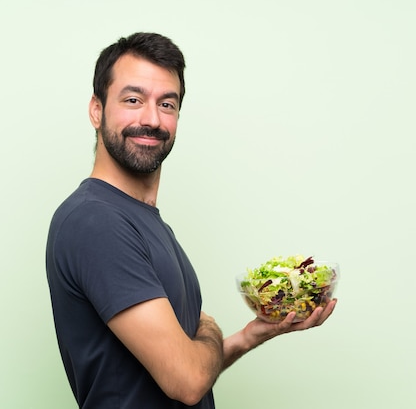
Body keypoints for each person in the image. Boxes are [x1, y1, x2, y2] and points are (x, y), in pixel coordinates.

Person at [45, 32, 337, 409]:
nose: (151, 119)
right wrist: (209, 328)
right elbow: (187, 380)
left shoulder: (146, 223)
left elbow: (183, 364)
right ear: (97, 110)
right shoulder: (96, 220)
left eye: (167, 104)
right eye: (133, 100)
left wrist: (248, 336)